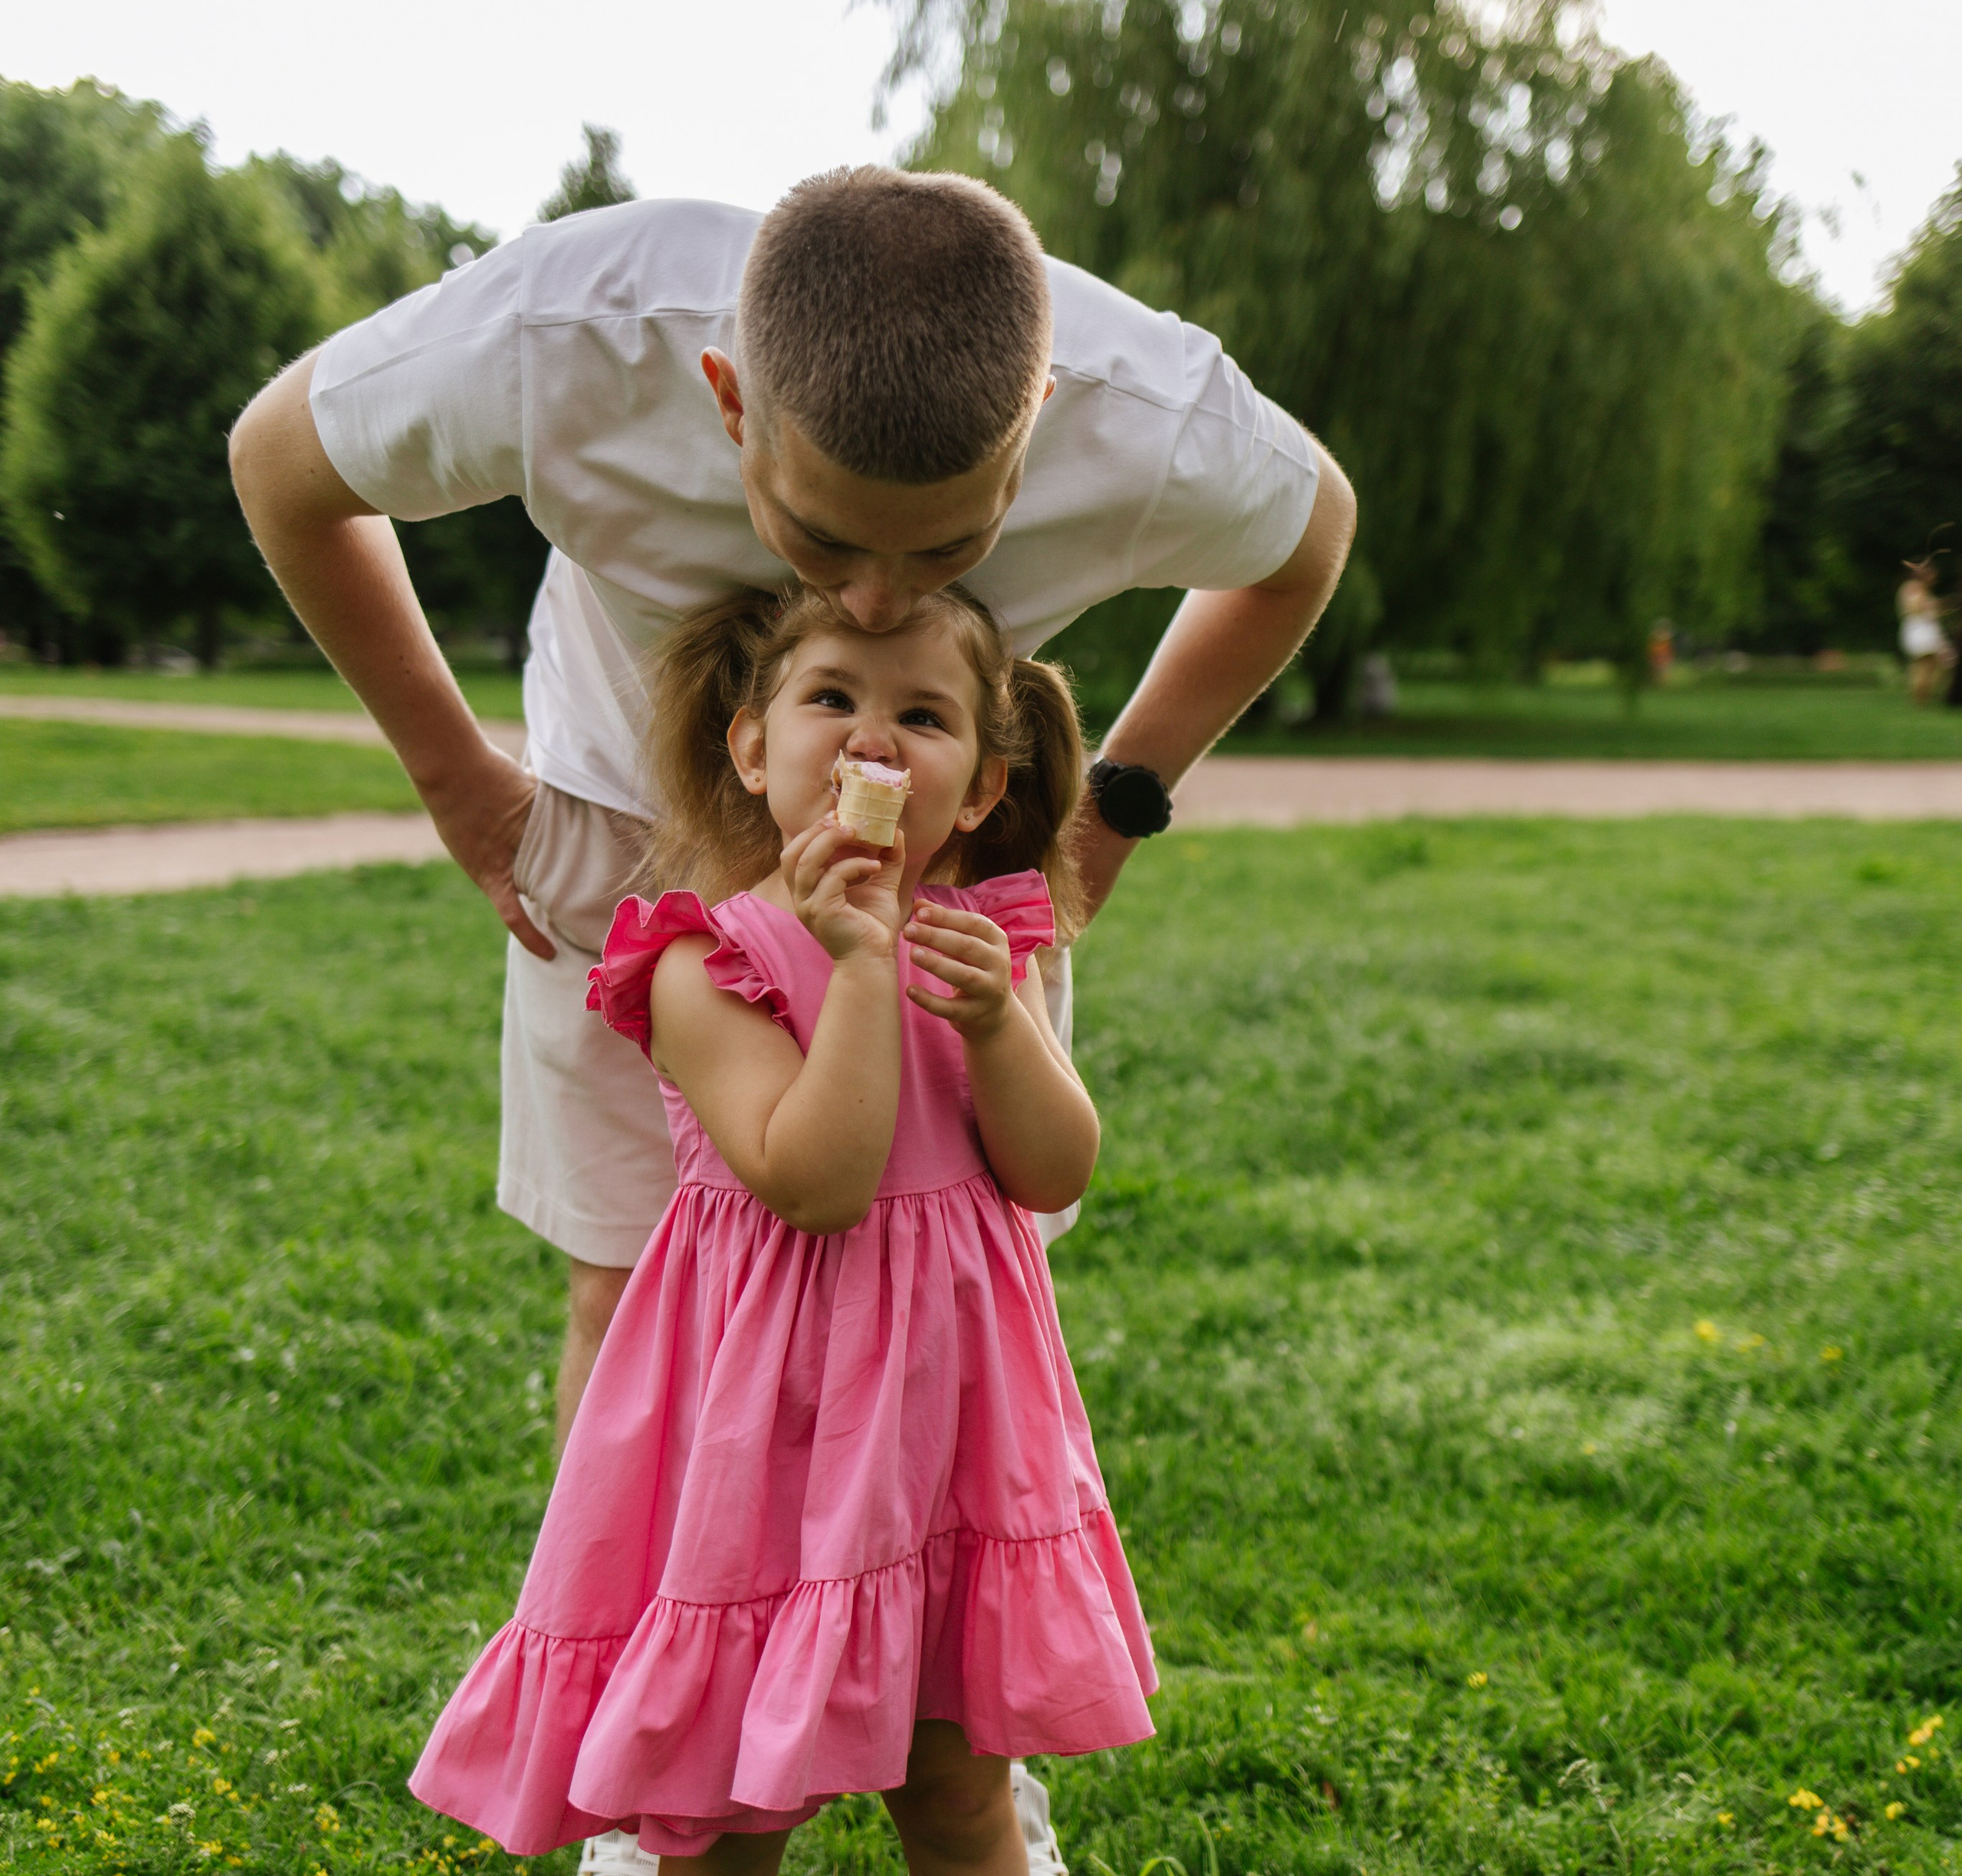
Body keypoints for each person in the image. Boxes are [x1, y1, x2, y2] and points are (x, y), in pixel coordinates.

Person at [229, 166, 1355, 1871]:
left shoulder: (1159, 415)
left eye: (950, 547)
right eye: (826, 542)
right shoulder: (567, 336)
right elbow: (281, 463)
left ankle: (947, 1708)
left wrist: (1106, 806)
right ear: (725, 404)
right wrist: (459, 778)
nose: (887, 599)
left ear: (1036, 424)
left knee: (959, 1278)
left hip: (957, 874)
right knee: (637, 1287)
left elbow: (1309, 536)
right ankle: (663, 1745)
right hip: (627, 825)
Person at [408, 581, 1156, 1871]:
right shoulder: (705, 962)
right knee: (721, 1815)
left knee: (961, 1794)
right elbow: (817, 1182)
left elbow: (1052, 1169)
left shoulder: (990, 943)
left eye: (923, 716)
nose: (873, 741)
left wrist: (995, 1024)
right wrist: (863, 968)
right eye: (831, 701)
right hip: (769, 1444)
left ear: (977, 789)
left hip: (945, 1441)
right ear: (754, 752)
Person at [1898, 553, 1954, 704]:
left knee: (1934, 665)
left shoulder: (1920, 589)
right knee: (1927, 665)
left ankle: (1923, 697)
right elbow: (1916, 608)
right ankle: (1920, 698)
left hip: (1925, 630)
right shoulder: (1914, 588)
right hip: (1920, 631)